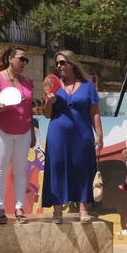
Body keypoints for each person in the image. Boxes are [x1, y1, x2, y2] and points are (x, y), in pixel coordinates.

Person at [42, 51, 102, 224]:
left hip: (82, 134)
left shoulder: (88, 85)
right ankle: (58, 211)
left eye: (63, 62)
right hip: (57, 134)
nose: (59, 66)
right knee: (57, 168)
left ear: (72, 63)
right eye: (58, 63)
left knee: (82, 169)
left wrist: (99, 136)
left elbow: (95, 112)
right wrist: (49, 102)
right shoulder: (51, 84)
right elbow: (47, 114)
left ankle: (83, 209)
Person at [0, 46, 39, 224]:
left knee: (21, 171)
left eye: (26, 60)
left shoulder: (28, 81)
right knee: (0, 171)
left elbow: (29, 110)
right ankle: (0, 209)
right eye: (21, 59)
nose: (24, 63)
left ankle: (19, 208)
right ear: (10, 59)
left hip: (23, 131)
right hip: (1, 131)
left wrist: (32, 132)